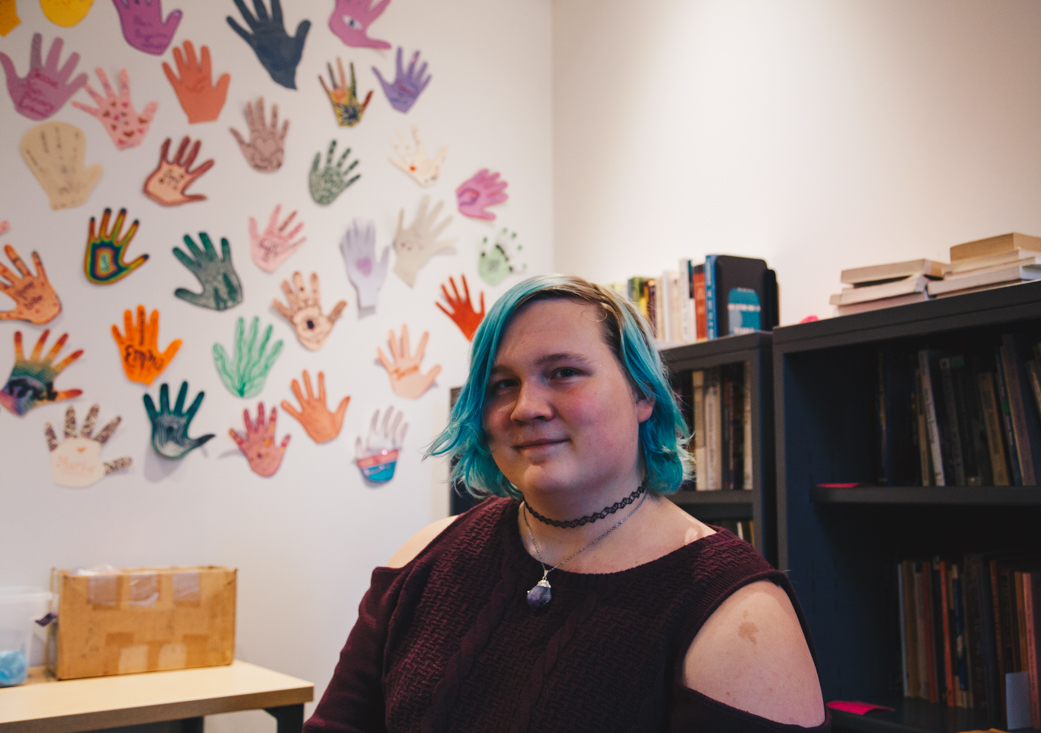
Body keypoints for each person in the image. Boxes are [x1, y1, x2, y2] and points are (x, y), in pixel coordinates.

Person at [305, 275, 828, 733]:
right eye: (502, 384)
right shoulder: (424, 557)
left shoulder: (739, 616)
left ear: (643, 394)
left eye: (562, 373)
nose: (526, 408)